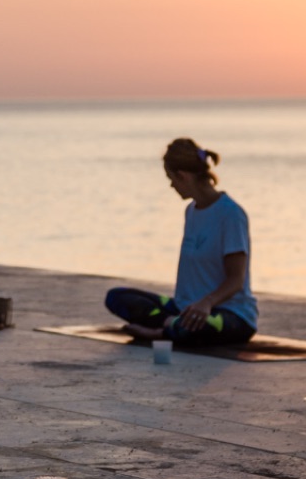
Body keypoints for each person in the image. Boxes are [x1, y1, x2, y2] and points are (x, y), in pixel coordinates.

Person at [105, 138, 258, 350]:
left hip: (228, 314)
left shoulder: (231, 215)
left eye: (171, 179)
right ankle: (172, 326)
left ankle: (161, 332)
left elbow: (236, 280)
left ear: (183, 176)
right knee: (116, 297)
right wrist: (189, 306)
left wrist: (206, 303)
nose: (171, 185)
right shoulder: (191, 211)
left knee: (201, 325)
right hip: (184, 309)